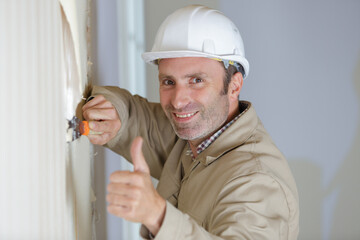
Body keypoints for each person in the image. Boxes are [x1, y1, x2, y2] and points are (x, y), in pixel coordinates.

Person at [82, 5, 299, 239]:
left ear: (234, 86)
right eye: (168, 81)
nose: (178, 101)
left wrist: (157, 216)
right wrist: (113, 112)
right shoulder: (193, 136)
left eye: (196, 80)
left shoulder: (256, 180)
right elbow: (136, 115)